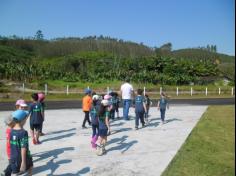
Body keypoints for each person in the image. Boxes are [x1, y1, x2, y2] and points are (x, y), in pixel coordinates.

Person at [10, 109, 33, 175]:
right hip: (23, 157)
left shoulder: (11, 131)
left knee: (16, 172)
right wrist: (23, 162)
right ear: (23, 120)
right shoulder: (23, 132)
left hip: (13, 157)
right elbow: (23, 147)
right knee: (30, 167)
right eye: (26, 118)